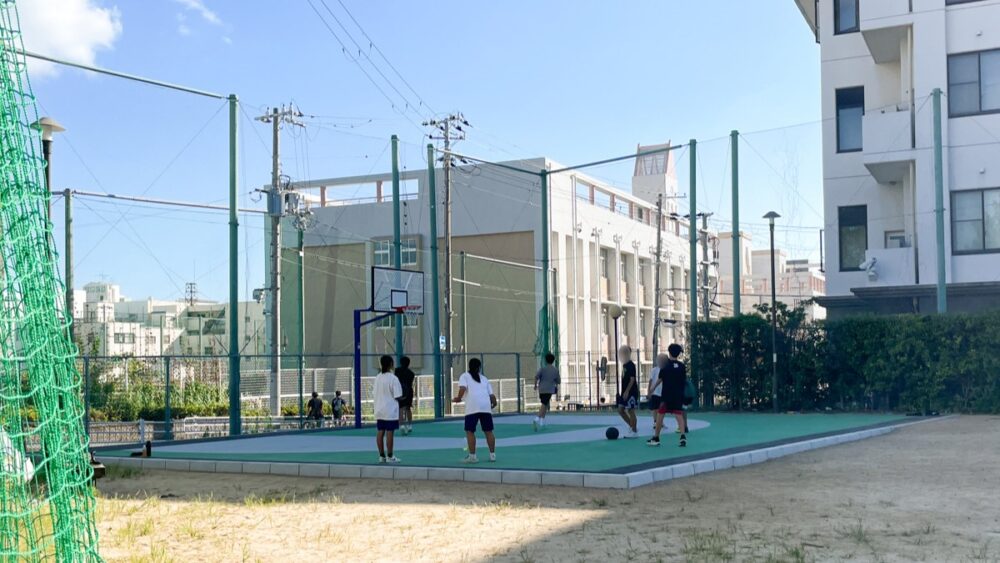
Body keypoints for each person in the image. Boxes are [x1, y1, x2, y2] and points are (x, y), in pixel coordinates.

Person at [452, 358, 498, 463]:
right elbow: (492, 396)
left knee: (470, 431)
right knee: (488, 431)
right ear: (479, 367)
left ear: (469, 366)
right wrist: (493, 403)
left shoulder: (464, 376)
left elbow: (462, 389)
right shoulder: (484, 378)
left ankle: (472, 456)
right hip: (485, 407)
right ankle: (492, 455)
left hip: (472, 407)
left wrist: (458, 399)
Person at [647, 343, 688, 448]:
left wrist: (652, 389)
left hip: (666, 396)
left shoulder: (665, 366)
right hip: (678, 395)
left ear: (669, 353)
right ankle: (683, 436)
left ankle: (656, 437)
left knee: (660, 415)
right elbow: (683, 381)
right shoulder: (682, 366)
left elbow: (659, 380)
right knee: (678, 415)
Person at [373, 355, 403, 463]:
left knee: (380, 431)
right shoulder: (393, 378)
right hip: (390, 410)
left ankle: (381, 456)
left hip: (379, 409)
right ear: (391, 364)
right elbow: (397, 395)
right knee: (390, 432)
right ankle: (390, 455)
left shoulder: (378, 377)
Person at [533, 352, 560, 431]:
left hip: (541, 389)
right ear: (553, 360)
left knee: (545, 403)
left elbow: (536, 377)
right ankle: (536, 419)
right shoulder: (555, 370)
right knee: (544, 404)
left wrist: (535, 385)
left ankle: (542, 422)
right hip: (549, 389)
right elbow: (558, 381)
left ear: (546, 360)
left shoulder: (542, 369)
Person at [616, 345, 639, 439]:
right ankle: (632, 426)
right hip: (624, 392)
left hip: (631, 392)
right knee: (620, 410)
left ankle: (634, 431)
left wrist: (627, 391)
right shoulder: (624, 365)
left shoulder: (631, 365)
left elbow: (632, 379)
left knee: (630, 410)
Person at [646, 354, 669, 433]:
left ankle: (661, 422)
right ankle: (656, 422)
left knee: (661, 408)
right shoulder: (654, 370)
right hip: (655, 392)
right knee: (654, 408)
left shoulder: (666, 370)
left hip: (663, 392)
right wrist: (649, 391)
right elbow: (650, 381)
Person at [395, 356, 416, 435]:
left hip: (400, 391)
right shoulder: (411, 373)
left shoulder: (397, 371)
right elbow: (410, 383)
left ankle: (402, 425)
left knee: (400, 408)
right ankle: (410, 425)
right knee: (408, 408)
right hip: (408, 391)